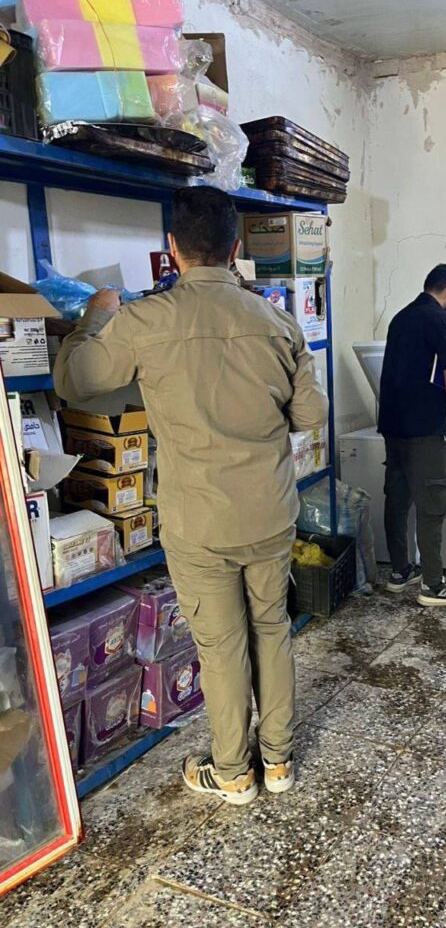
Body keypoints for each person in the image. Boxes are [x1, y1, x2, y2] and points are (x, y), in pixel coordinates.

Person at [54, 186, 328, 805]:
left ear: (172, 248)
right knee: (271, 627)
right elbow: (311, 415)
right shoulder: (277, 321)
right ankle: (278, 761)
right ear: (234, 249)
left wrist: (95, 315)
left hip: (200, 521)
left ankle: (232, 772)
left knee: (221, 645)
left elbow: (74, 381)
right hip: (270, 511)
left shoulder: (144, 321)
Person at [378, 264, 446, 607]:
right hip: (424, 428)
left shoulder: (400, 319)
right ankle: (433, 585)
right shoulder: (442, 322)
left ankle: (400, 571)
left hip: (393, 424)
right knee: (432, 504)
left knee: (397, 499)